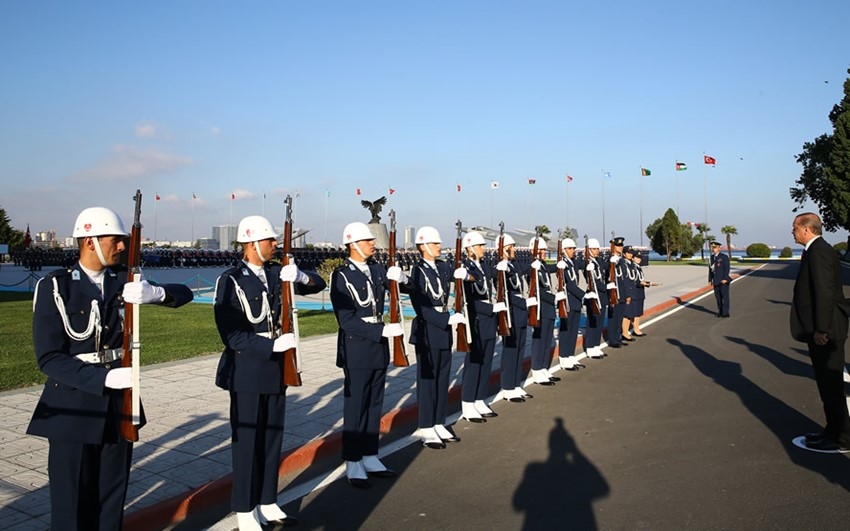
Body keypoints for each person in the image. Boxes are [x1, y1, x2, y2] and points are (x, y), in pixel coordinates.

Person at [27, 206, 193, 531]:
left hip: (118, 408)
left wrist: (156, 293)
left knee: (111, 503)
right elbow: (49, 358)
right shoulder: (57, 287)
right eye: (115, 241)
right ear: (90, 241)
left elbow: (184, 294)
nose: (122, 247)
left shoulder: (124, 280)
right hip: (73, 409)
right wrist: (103, 377)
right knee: (72, 508)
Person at [214, 215, 325, 529]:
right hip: (248, 371)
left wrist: (301, 276)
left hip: (277, 371)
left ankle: (267, 500)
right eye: (270, 241)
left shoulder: (279, 273)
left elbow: (320, 283)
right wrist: (271, 347)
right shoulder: (231, 280)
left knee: (272, 438)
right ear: (251, 244)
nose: (275, 245)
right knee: (248, 442)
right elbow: (232, 335)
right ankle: (245, 509)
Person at [330, 222, 407, 487]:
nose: (373, 244)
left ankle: (370, 453)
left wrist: (403, 278)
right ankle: (353, 460)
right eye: (367, 241)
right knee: (356, 406)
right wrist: (381, 331)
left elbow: (402, 289)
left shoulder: (377, 269)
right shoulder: (341, 276)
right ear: (352, 244)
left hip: (378, 347)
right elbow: (346, 320)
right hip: (357, 347)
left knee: (375, 402)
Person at [790, 212, 850, 451]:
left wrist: (821, 329)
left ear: (807, 229)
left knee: (831, 384)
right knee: (826, 385)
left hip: (827, 329)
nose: (792, 232)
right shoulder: (816, 250)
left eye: (794, 228)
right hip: (821, 327)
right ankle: (832, 429)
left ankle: (843, 437)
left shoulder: (819, 252)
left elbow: (824, 293)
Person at [407, 226, 464, 448]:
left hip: (443, 330)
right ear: (423, 246)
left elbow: (464, 274)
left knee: (443, 378)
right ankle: (426, 425)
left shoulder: (442, 267)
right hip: (428, 331)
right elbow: (421, 307)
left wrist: (465, 274)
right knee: (428, 381)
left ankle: (439, 421)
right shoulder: (418, 272)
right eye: (436, 243)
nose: (440, 246)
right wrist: (445, 320)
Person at [456, 231, 506, 422]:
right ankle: (468, 403)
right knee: (474, 363)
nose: (483, 249)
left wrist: (504, 266)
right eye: (480, 246)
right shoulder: (464, 269)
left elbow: (496, 279)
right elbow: (469, 301)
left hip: (488, 322)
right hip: (476, 322)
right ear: (469, 248)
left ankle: (479, 399)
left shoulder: (483, 267)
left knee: (486, 363)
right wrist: (492, 308)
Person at [495, 233, 531, 401]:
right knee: (510, 351)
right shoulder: (499, 267)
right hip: (511, 313)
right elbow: (503, 291)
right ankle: (508, 386)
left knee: (519, 349)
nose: (514, 249)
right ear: (503, 249)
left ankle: (516, 384)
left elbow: (524, 272)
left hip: (521, 312)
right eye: (511, 247)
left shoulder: (514, 265)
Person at [526, 236, 560, 385]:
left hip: (548, 309)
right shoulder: (532, 266)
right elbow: (538, 289)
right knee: (539, 341)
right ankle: (537, 369)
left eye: (545, 250)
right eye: (541, 250)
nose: (544, 252)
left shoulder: (543, 265)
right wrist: (554, 298)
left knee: (547, 340)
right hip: (540, 308)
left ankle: (544, 367)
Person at [556, 238, 587, 371]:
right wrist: (584, 296)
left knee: (573, 330)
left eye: (573, 248)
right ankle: (563, 357)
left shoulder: (573, 263)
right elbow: (569, 284)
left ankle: (570, 354)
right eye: (570, 248)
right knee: (566, 330)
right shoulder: (563, 264)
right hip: (567, 301)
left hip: (575, 302)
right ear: (563, 250)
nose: (573, 251)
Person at [582, 238, 608, 359]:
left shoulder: (598, 262)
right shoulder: (587, 263)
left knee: (599, 322)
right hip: (593, 295)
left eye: (597, 249)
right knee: (592, 322)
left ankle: (596, 345)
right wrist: (607, 287)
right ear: (589, 250)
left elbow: (605, 271)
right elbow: (594, 281)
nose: (596, 251)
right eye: (594, 249)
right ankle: (590, 347)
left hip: (601, 296)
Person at [605, 237, 629, 349]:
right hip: (614, 293)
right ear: (613, 247)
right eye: (618, 246)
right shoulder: (610, 260)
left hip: (622, 293)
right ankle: (612, 339)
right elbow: (607, 276)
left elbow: (625, 279)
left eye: (621, 246)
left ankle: (618, 337)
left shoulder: (621, 260)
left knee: (619, 317)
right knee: (613, 317)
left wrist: (627, 294)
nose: (621, 247)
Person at [625, 249, 651, 337]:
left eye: (640, 258)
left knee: (638, 312)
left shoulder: (638, 268)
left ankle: (636, 328)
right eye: (637, 257)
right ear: (633, 258)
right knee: (634, 312)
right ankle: (635, 329)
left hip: (640, 292)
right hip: (635, 291)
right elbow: (634, 280)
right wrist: (645, 283)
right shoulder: (632, 267)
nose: (639, 259)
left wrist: (647, 283)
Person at [708, 240, 731, 317]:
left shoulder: (724, 257)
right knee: (718, 298)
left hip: (723, 280)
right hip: (715, 281)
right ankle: (720, 311)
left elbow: (727, 268)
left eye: (714, 247)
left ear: (719, 248)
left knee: (725, 297)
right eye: (712, 247)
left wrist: (725, 278)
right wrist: (710, 279)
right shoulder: (711, 258)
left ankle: (725, 313)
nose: (713, 249)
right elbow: (711, 269)